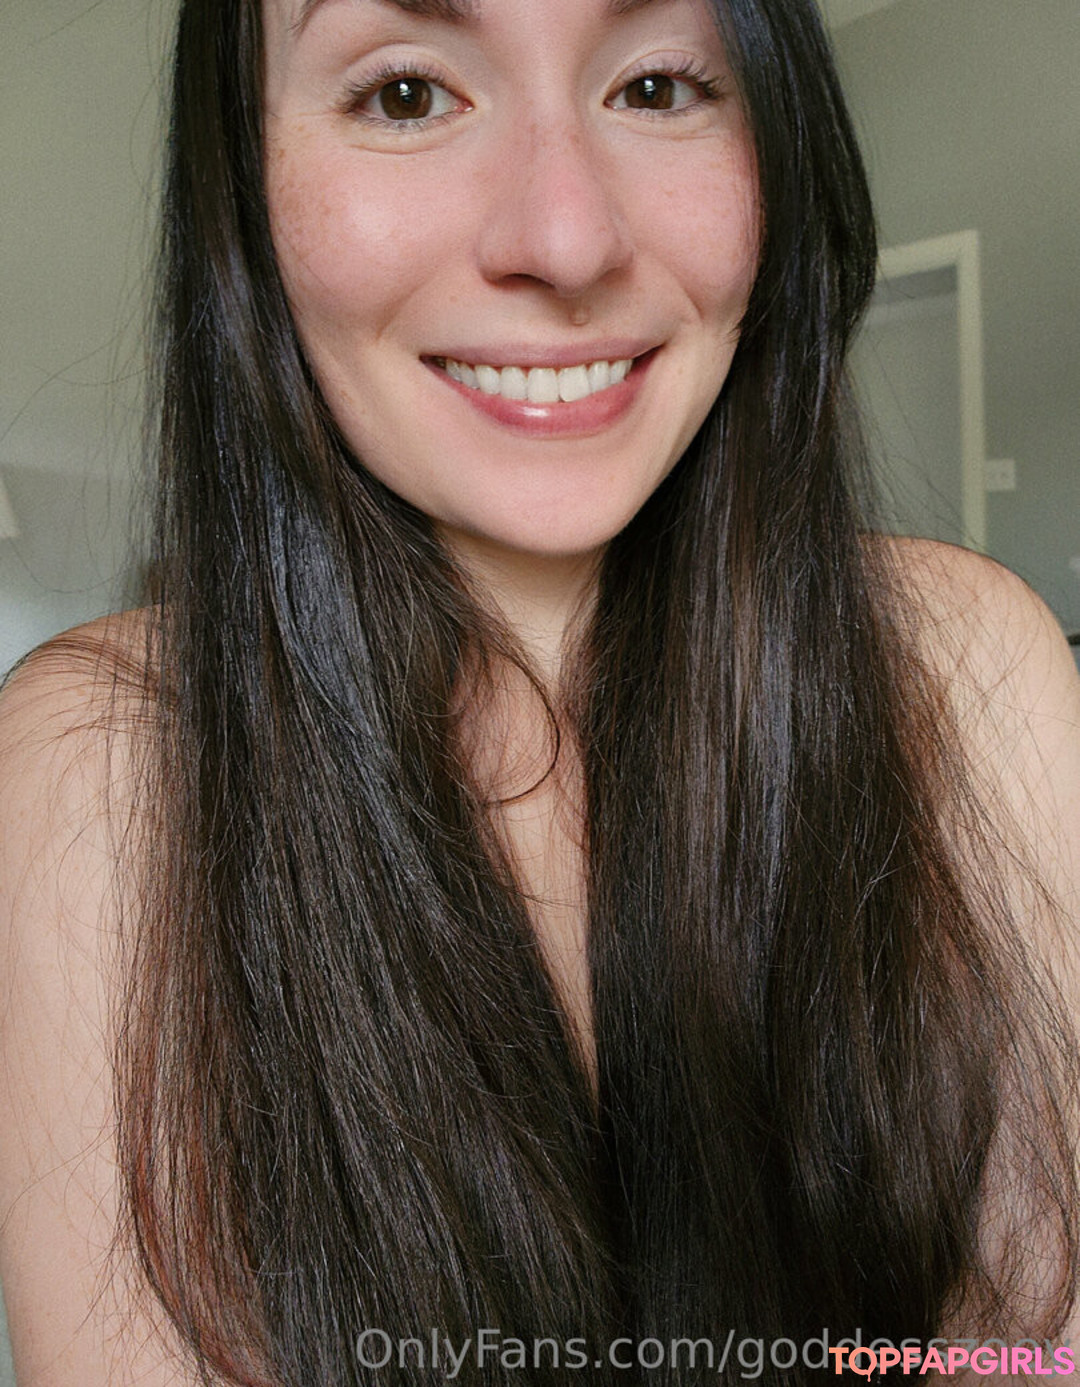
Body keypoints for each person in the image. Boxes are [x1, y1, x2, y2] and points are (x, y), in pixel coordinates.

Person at [1, 0, 1078, 1382]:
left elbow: (1035, 1353)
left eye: (658, 86)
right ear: (241, 182)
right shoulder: (104, 770)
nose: (567, 239)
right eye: (405, 94)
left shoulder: (962, 665)